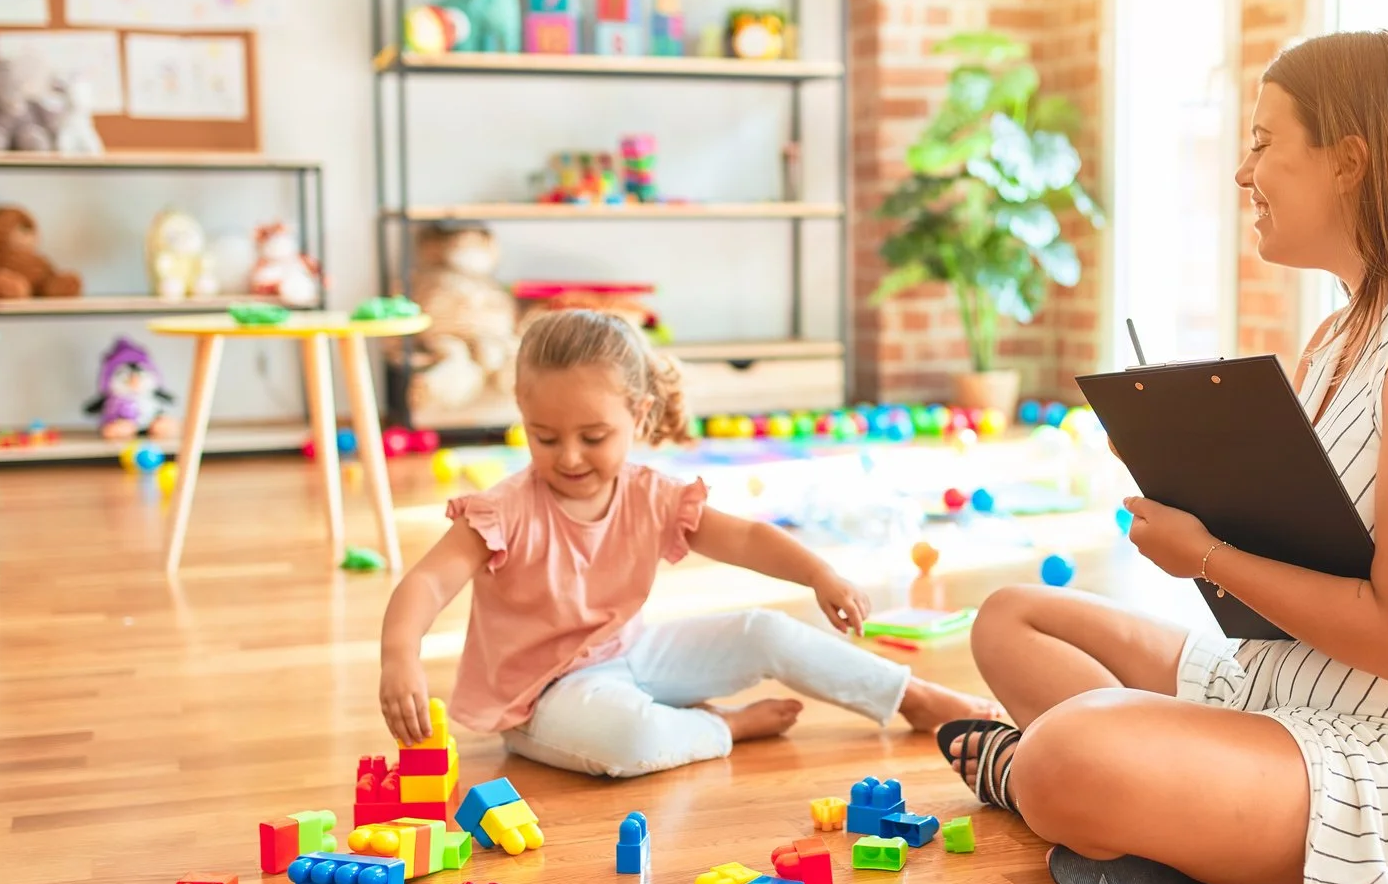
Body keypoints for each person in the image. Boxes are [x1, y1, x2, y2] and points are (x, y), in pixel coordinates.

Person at [939, 31, 1388, 884]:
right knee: (1011, 619)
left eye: (1265, 141)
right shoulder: (1341, 338)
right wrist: (1187, 484)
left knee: (1065, 756)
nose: (1241, 172)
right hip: (1290, 686)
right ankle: (1174, 830)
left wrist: (1211, 555)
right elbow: (1314, 541)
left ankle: (1118, 806)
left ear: (1350, 162)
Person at [380, 309, 997, 777]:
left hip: (634, 655)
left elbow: (747, 538)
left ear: (640, 417)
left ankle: (910, 696)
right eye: (544, 437)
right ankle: (719, 728)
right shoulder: (503, 509)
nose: (568, 457)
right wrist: (400, 655)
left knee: (765, 630)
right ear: (521, 413)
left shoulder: (652, 493)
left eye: (594, 437)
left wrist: (818, 574)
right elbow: (429, 580)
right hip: (542, 700)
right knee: (632, 743)